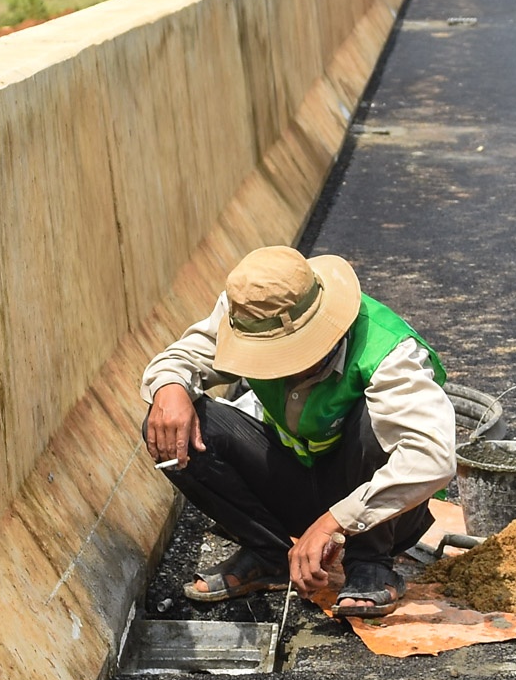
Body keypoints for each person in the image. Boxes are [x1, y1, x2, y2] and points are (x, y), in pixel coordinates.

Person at [140, 246, 456, 616]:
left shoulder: (389, 352)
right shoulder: (249, 315)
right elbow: (181, 358)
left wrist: (336, 521)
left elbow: (433, 458)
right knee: (172, 422)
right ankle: (269, 553)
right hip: (297, 482)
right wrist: (169, 388)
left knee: (374, 423)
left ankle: (370, 562)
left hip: (376, 509)